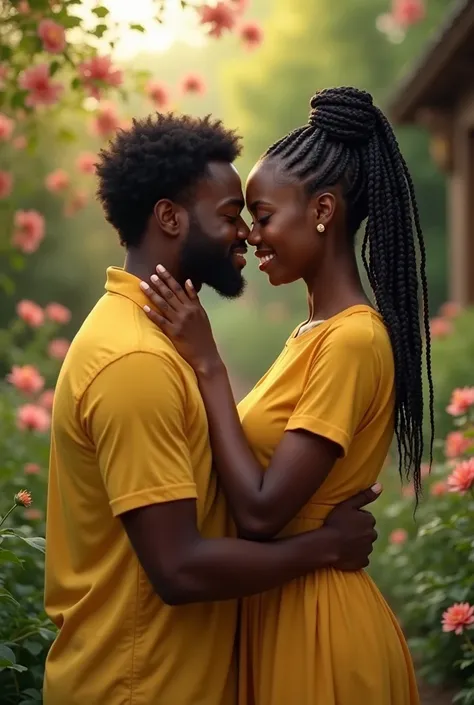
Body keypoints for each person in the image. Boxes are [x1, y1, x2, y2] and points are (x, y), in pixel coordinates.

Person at [43, 112, 381, 705]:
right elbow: (179, 568)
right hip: (140, 686)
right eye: (230, 216)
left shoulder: (158, 344)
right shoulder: (135, 361)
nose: (245, 235)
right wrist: (324, 547)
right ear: (170, 217)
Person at [140, 87, 435, 705]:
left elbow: (263, 510)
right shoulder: (312, 335)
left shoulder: (353, 340)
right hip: (282, 608)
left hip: (321, 627)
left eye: (264, 214)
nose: (248, 235)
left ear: (323, 210)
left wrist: (210, 366)